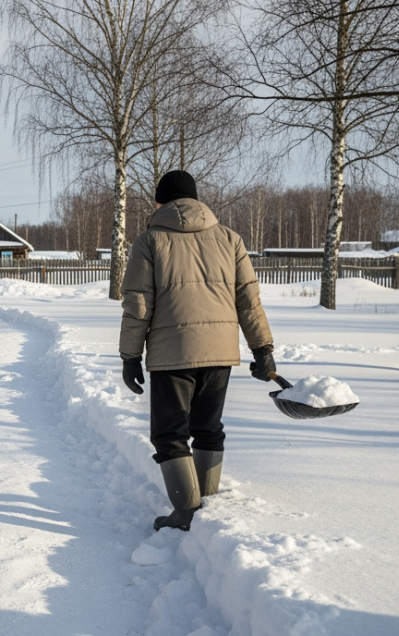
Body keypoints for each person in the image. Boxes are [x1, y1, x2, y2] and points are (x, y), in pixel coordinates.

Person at [118, 170, 275, 532]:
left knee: (170, 435)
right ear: (195, 199)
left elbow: (138, 304)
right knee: (207, 429)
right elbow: (249, 301)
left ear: (161, 201)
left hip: (173, 352)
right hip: (220, 352)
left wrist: (130, 356)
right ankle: (207, 510)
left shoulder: (150, 240)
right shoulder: (230, 239)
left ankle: (186, 513)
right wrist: (262, 348)